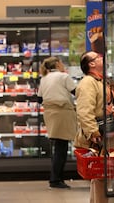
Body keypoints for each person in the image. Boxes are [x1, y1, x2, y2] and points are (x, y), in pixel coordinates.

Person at [74, 51, 114, 203]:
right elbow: (84, 110)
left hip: (108, 134)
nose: (102, 58)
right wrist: (93, 133)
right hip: (100, 136)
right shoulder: (87, 83)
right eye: (98, 57)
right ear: (91, 64)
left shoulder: (100, 81)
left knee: (101, 176)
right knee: (101, 176)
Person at [37, 56, 77, 189]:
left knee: (58, 146)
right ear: (58, 64)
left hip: (50, 114)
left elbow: (39, 98)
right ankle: (55, 179)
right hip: (63, 112)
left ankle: (56, 178)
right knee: (62, 147)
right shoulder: (63, 77)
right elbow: (77, 92)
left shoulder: (44, 79)